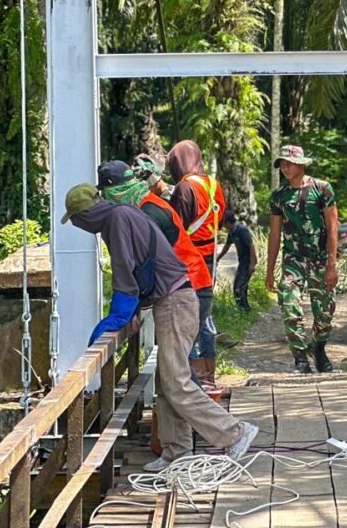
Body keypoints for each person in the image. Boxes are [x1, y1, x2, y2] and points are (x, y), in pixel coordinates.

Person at [61, 183, 257, 471]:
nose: (78, 227)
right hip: (173, 299)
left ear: (85, 216)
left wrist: (116, 318)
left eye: (76, 221)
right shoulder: (124, 213)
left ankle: (235, 432)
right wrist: (135, 308)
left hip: (175, 302)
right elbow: (142, 267)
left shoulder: (115, 222)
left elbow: (125, 274)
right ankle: (176, 452)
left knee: (177, 382)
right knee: (168, 382)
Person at [266, 144, 339, 374]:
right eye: (282, 165)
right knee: (289, 303)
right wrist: (270, 270)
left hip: (319, 259)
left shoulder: (322, 189)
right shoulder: (279, 196)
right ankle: (299, 356)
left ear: (301, 164)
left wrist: (331, 265)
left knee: (325, 311)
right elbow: (275, 234)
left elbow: (332, 227)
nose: (285, 168)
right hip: (293, 259)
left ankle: (318, 348)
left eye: (289, 163)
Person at [98, 160, 214, 297]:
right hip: (181, 284)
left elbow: (147, 259)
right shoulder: (145, 204)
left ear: (118, 191)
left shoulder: (149, 213)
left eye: (107, 193)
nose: (107, 199)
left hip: (187, 286)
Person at [166, 141, 227, 391]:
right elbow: (220, 218)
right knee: (206, 316)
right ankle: (209, 375)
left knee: (190, 318)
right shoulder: (213, 184)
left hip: (189, 260)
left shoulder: (184, 187)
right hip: (210, 256)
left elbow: (175, 225)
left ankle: (194, 377)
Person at [219, 209, 256, 313]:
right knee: (239, 287)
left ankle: (245, 311)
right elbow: (226, 247)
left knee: (239, 288)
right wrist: (217, 259)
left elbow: (251, 246)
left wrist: (252, 264)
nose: (223, 227)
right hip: (242, 262)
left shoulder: (241, 229)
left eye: (224, 224)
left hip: (248, 261)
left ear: (228, 222)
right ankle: (244, 310)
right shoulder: (232, 232)